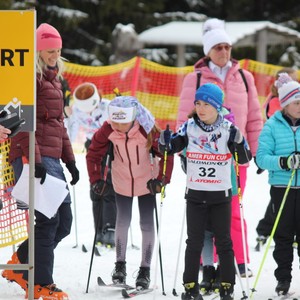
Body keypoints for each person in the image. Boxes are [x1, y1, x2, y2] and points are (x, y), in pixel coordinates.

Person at [177, 18, 263, 279]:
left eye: (227, 47)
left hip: (235, 157)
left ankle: (239, 260)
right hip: (205, 157)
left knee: (233, 208)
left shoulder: (245, 77)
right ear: (208, 51)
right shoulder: (197, 77)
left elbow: (255, 117)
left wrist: (255, 152)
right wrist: (183, 152)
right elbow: (184, 118)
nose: (224, 52)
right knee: (206, 216)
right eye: (218, 48)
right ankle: (210, 265)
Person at [2, 23, 79, 300]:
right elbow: (20, 122)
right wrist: (34, 160)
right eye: (49, 50)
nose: (54, 55)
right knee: (48, 221)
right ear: (37, 50)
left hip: (52, 158)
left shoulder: (55, 79)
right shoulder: (28, 79)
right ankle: (40, 284)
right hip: (30, 155)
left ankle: (20, 262)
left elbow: (59, 123)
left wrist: (70, 160)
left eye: (57, 50)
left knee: (64, 222)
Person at [159, 83, 252, 300]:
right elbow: (172, 147)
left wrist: (238, 143)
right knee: (194, 241)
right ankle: (190, 287)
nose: (201, 108)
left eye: (206, 104)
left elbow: (245, 159)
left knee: (224, 241)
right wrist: (164, 143)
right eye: (198, 103)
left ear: (217, 107)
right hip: (196, 194)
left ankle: (227, 287)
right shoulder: (189, 127)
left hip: (220, 196)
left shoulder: (228, 130)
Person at [86, 95, 173, 289]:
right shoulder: (108, 129)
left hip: (146, 182)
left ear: (133, 118)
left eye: (122, 121)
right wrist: (96, 180)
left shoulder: (146, 128)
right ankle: (119, 266)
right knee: (122, 221)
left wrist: (161, 180)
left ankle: (145, 270)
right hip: (122, 180)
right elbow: (93, 153)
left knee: (146, 224)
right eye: (114, 120)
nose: (116, 125)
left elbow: (167, 154)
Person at [255, 73, 300, 296]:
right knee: (283, 236)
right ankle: (283, 279)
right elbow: (261, 158)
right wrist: (285, 161)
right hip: (282, 189)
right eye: (296, 102)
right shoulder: (272, 126)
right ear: (285, 103)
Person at [67, 82, 116, 247]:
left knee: (108, 185)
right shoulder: (76, 110)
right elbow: (71, 130)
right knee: (95, 187)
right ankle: (99, 230)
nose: (87, 112)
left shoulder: (108, 106)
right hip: (92, 146)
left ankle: (111, 229)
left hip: (110, 146)